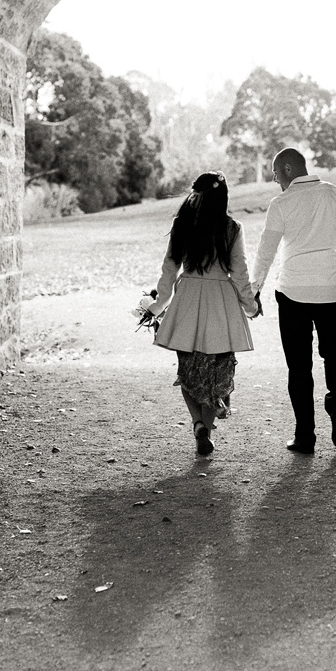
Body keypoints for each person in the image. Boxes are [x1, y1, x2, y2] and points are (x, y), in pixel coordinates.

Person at [251, 148, 336, 454]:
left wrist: (254, 289)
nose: (275, 180)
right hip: (330, 291)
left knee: (299, 368)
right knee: (334, 354)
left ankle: (305, 436)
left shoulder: (282, 203)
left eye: (276, 174)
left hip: (292, 294)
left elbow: (266, 252)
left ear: (288, 169)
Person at [143, 171, 260, 457]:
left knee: (188, 372)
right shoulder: (232, 228)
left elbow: (169, 271)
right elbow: (241, 273)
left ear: (196, 194)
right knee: (217, 374)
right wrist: (251, 306)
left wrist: (154, 308)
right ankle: (204, 427)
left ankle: (198, 424)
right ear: (224, 198)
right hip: (222, 304)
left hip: (188, 302)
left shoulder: (182, 225)